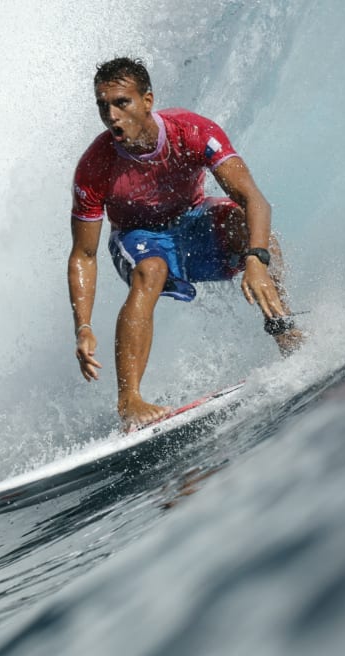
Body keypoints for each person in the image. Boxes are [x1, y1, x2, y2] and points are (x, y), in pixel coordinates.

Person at [67, 57, 303, 429]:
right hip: (137, 237)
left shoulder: (192, 132)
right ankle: (130, 402)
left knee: (257, 235)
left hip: (193, 224)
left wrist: (255, 260)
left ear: (147, 100)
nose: (111, 115)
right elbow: (84, 253)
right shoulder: (95, 166)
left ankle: (286, 334)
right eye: (103, 106)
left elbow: (254, 199)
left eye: (121, 102)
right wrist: (83, 326)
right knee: (151, 269)